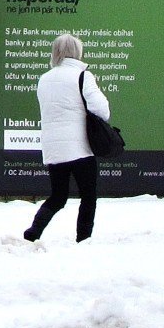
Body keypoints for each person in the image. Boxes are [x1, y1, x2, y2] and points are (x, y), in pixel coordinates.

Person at [24, 33, 111, 244]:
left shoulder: (44, 79)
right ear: (78, 52)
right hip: (80, 147)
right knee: (88, 196)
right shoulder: (83, 76)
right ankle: (83, 238)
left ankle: (34, 231)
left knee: (58, 196)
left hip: (53, 148)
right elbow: (102, 110)